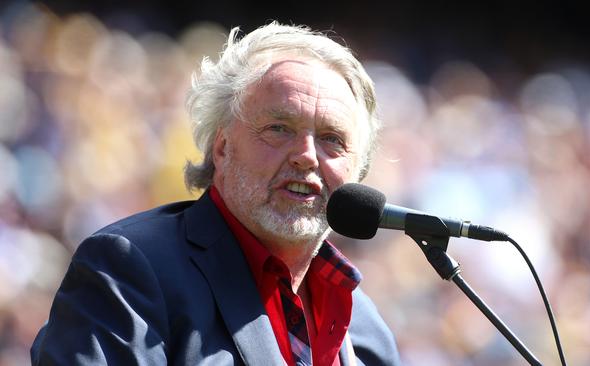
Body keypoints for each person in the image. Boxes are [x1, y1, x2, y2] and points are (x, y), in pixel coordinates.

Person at [30, 22, 399, 365]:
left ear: (357, 171)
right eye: (279, 128)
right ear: (221, 147)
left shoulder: (365, 326)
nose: (305, 155)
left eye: (332, 139)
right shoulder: (130, 270)